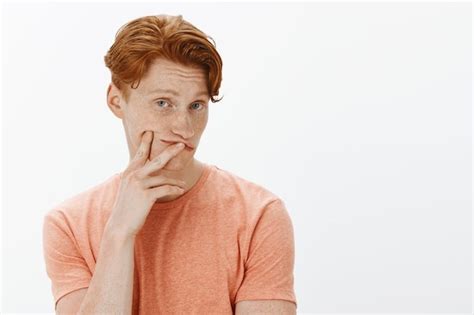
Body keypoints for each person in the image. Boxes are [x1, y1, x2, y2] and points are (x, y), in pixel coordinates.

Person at [42, 14, 297, 314]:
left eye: (196, 106)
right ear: (116, 101)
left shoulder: (258, 216)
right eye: (163, 103)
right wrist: (119, 232)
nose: (185, 128)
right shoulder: (69, 225)